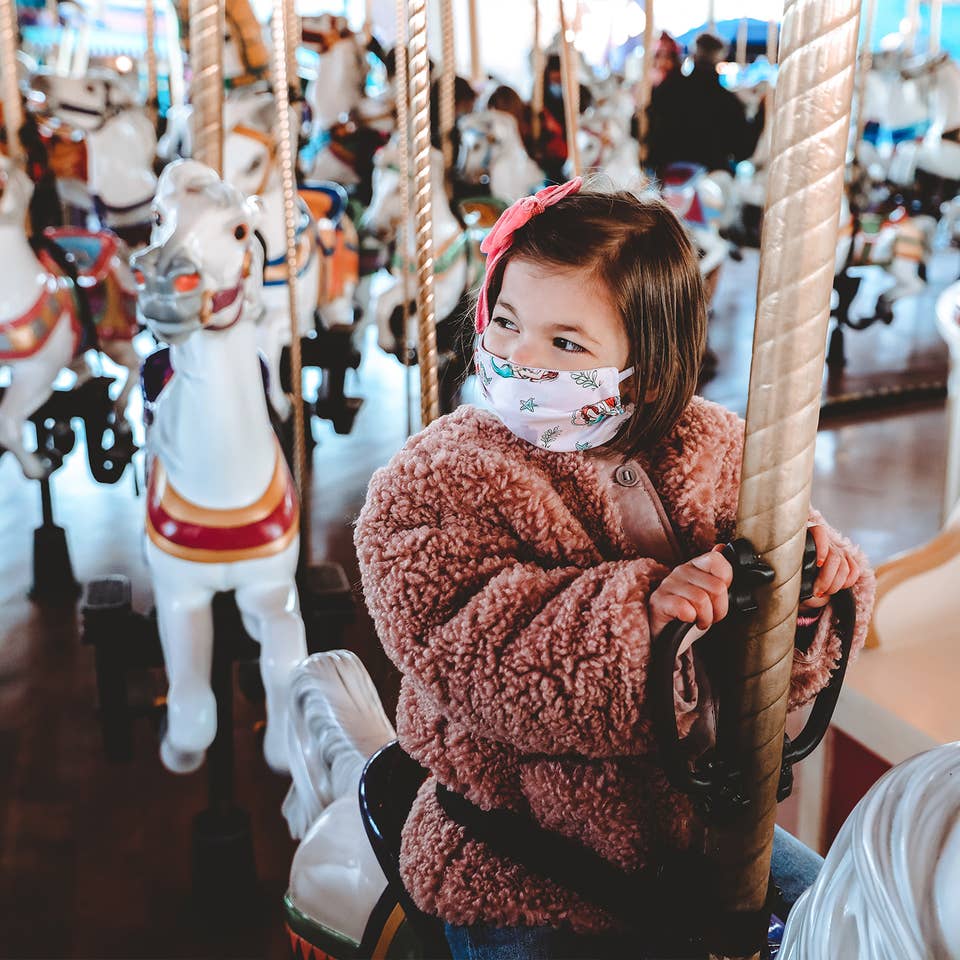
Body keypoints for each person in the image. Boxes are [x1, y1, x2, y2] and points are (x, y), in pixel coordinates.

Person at [355, 178, 875, 959]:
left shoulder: (720, 451)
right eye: (506, 323)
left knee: (857, 920)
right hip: (522, 861)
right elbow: (482, 656)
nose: (519, 358)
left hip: (707, 836)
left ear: (651, 370)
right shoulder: (436, 482)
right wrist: (648, 618)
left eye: (566, 344)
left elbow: (782, 615)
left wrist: (809, 594)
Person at [646, 31, 764, 173]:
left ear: (693, 55)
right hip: (709, 172)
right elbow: (742, 149)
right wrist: (760, 116)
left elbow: (650, 128)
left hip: (667, 170)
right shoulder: (726, 100)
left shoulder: (669, 89)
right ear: (719, 58)